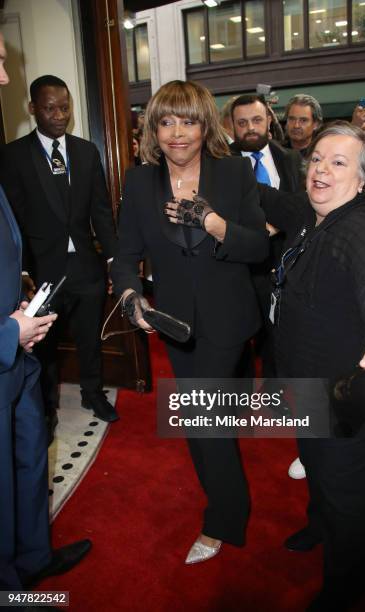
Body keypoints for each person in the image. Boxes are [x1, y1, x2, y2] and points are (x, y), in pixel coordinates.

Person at [111, 80, 268, 564]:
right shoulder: (139, 182)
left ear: (206, 126)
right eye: (166, 121)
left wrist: (213, 223)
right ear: (153, 129)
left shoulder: (234, 172)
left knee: (206, 422)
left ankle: (225, 519)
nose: (177, 133)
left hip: (227, 320)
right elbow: (124, 255)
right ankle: (224, 505)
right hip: (174, 326)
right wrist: (130, 293)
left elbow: (258, 247)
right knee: (200, 423)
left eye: (189, 121)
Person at [259, 121, 365, 610]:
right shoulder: (312, 216)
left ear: (362, 180)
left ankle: (344, 589)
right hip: (310, 387)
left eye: (338, 162)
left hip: (355, 397)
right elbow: (274, 200)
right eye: (317, 158)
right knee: (318, 467)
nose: (321, 168)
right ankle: (318, 525)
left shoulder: (363, 228)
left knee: (351, 498)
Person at [0, 31, 91, 598]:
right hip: (6, 345)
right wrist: (7, 330)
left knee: (27, 461)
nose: (6, 78)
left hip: (17, 356)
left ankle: (32, 560)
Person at [0, 74, 118, 442]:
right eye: (50, 108)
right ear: (33, 108)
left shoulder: (86, 151)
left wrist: (114, 259)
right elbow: (13, 219)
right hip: (40, 271)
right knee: (44, 347)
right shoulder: (12, 155)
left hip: (85, 266)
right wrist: (19, 272)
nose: (59, 115)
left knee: (89, 338)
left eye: (65, 107)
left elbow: (100, 211)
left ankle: (93, 393)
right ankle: (47, 409)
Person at [229, 94, 303, 380]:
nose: (250, 128)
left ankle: (274, 392)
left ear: (269, 119)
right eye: (242, 122)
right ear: (232, 126)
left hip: (285, 265)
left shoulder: (292, 159)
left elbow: (302, 206)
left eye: (257, 120)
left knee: (279, 336)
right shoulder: (220, 164)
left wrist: (277, 227)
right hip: (239, 266)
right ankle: (240, 394)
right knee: (238, 336)